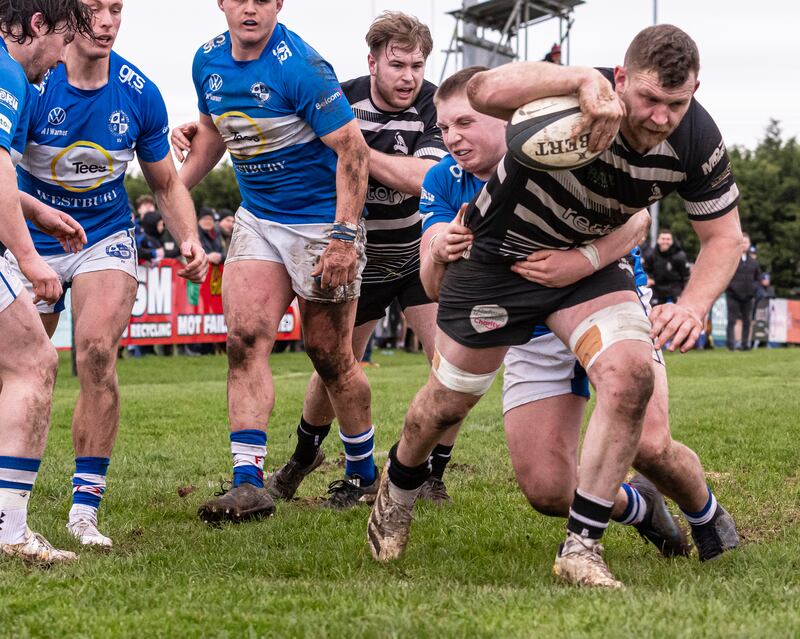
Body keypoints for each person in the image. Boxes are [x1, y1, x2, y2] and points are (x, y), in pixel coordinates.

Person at [367, 25, 743, 589]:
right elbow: (486, 89)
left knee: (632, 381)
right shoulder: (575, 95)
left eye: (677, 103)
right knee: (452, 407)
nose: (661, 117)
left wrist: (691, 306)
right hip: (501, 266)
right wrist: (580, 79)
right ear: (621, 79)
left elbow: (723, 237)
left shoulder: (696, 139)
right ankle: (396, 491)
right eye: (649, 99)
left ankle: (583, 548)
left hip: (588, 272)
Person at [420, 66, 703, 569]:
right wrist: (440, 250)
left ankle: (709, 518)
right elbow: (433, 286)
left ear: (504, 116)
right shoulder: (443, 179)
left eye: (464, 122)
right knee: (549, 491)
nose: (453, 138)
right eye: (443, 128)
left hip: (601, 295)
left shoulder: (553, 140)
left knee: (649, 445)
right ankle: (639, 507)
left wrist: (582, 261)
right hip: (529, 325)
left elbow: (639, 217)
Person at [11, 0, 208, 549]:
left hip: (103, 235)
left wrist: (189, 237)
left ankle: (84, 510)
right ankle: (11, 500)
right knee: (19, 365)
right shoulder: (33, 81)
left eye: (116, 9)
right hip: (35, 236)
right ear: (68, 15)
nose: (106, 22)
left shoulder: (139, 93)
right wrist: (28, 240)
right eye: (94, 9)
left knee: (96, 351)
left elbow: (165, 184)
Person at [173, 0, 370, 524]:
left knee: (329, 356)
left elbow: (354, 151)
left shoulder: (302, 66)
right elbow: (213, 134)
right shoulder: (206, 60)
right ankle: (248, 482)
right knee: (243, 339)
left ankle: (365, 473)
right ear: (221, 2)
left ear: (278, 3)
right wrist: (173, 190)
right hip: (259, 217)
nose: (250, 8)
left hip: (321, 223)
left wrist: (343, 238)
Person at [262, 11, 454, 509]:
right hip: (358, 258)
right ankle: (304, 457)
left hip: (417, 256)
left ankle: (432, 473)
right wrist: (207, 131)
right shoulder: (339, 99)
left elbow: (425, 180)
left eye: (417, 65)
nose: (409, 77)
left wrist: (354, 149)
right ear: (372, 62)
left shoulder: (435, 105)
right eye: (397, 65)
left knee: (452, 365)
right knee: (334, 364)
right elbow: (274, 129)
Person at [0, 0, 94, 564]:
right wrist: (31, 257)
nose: (61, 60)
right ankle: (9, 530)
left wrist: (34, 210)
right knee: (34, 363)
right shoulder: (7, 69)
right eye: (62, 41)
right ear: (37, 26)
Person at [725, 232, 761, 350]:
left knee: (747, 321)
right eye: (742, 242)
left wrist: (753, 289)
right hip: (733, 295)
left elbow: (758, 278)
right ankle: (731, 344)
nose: (744, 244)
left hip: (748, 297)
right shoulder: (732, 260)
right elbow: (726, 276)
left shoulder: (754, 262)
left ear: (749, 244)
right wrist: (731, 288)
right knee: (732, 320)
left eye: (746, 242)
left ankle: (745, 344)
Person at [643, 229, 690, 305]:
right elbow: (645, 269)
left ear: (672, 241)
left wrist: (684, 294)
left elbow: (686, 276)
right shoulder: (651, 254)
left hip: (674, 290)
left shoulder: (679, 256)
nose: (665, 241)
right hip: (657, 289)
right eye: (663, 239)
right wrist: (649, 278)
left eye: (668, 239)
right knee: (653, 309)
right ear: (658, 240)